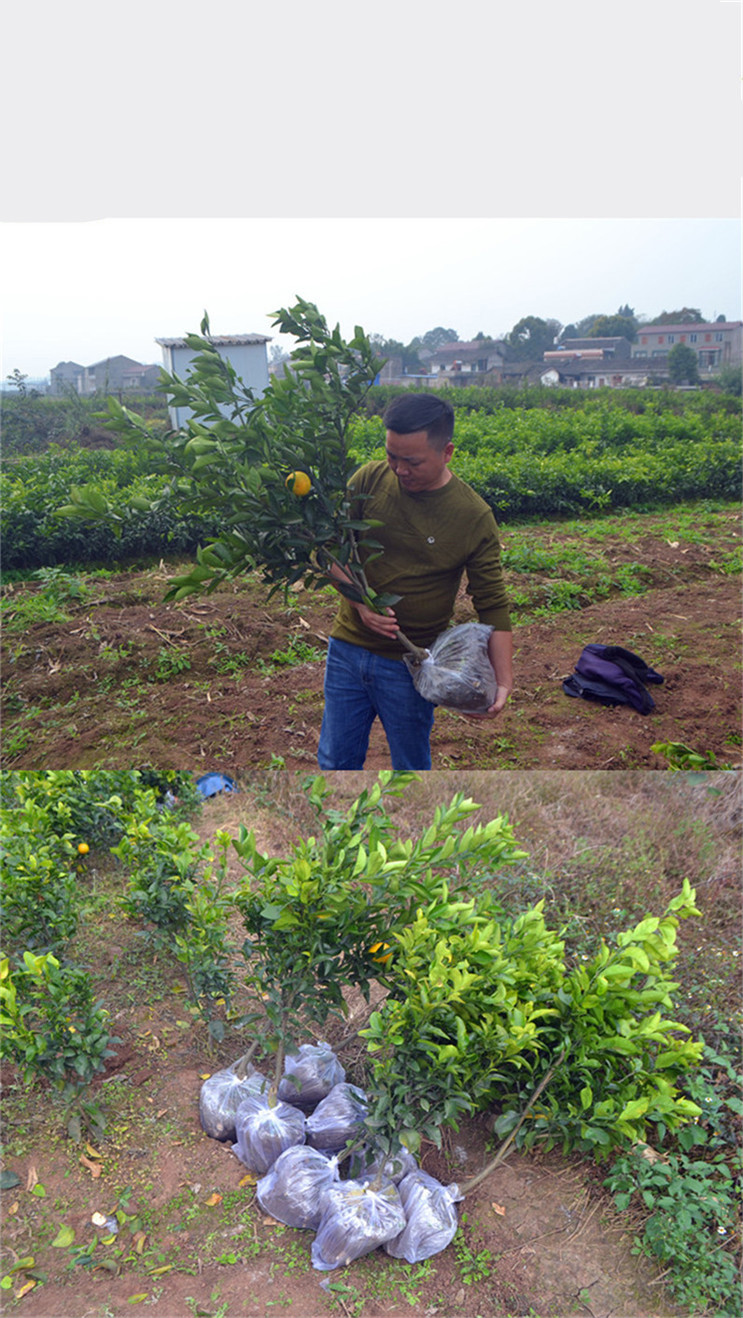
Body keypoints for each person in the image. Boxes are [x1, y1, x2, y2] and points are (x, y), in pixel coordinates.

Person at [317, 392, 513, 770]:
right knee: (335, 761)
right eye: (392, 456)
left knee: (410, 767)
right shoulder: (370, 479)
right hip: (348, 651)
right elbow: (328, 548)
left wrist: (503, 682)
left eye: (412, 461)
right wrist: (361, 604)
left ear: (447, 452)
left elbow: (492, 604)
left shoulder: (472, 516)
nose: (399, 469)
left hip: (411, 666)